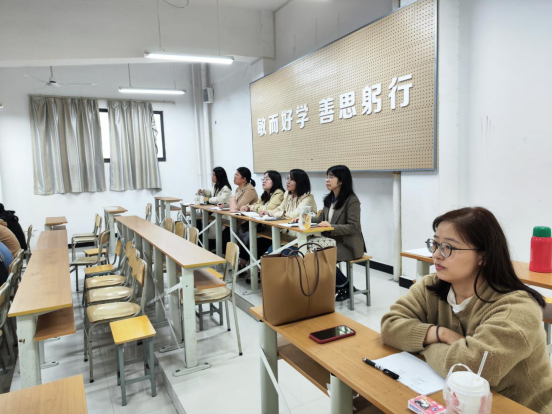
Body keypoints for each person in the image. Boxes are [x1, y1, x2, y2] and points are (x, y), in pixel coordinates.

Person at [380, 207, 552, 413]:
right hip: (457, 401)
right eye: (435, 244)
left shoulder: (517, 309)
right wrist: (440, 333)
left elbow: (470, 367)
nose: (436, 255)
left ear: (483, 256)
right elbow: (390, 326)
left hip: (518, 407)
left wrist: (422, 343)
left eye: (448, 247)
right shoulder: (430, 286)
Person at [310, 165, 366, 302]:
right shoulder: (329, 199)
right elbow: (321, 219)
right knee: (310, 253)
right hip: (332, 241)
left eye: (331, 177)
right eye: (327, 177)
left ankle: (342, 286)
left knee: (320, 256)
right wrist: (304, 218)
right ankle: (343, 285)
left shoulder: (352, 201)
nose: (327, 180)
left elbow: (353, 227)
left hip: (347, 244)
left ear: (341, 181)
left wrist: (331, 227)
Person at [259, 169, 317, 256]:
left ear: (299, 182)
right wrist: (267, 212)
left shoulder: (308, 197)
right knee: (271, 250)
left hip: (304, 237)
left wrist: (276, 214)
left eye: (291, 179)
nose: (288, 182)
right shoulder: (287, 194)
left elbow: (294, 215)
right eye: (287, 179)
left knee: (278, 253)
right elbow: (280, 208)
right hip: (289, 234)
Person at [238, 170, 285, 269]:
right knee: (247, 237)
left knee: (253, 241)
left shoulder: (279, 193)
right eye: (263, 178)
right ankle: (244, 265)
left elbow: (268, 208)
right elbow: (257, 205)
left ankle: (249, 267)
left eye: (267, 179)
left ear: (275, 181)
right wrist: (248, 207)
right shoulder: (266, 194)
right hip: (266, 228)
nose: (264, 181)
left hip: (276, 231)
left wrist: (254, 208)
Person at [220, 167, 259, 252]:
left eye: (236, 175)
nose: (234, 177)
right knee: (225, 232)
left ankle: (232, 256)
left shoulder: (250, 189)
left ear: (244, 179)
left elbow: (239, 206)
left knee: (227, 233)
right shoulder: (238, 189)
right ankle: (227, 255)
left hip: (248, 222)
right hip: (239, 220)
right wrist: (224, 205)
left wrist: (230, 206)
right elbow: (234, 203)